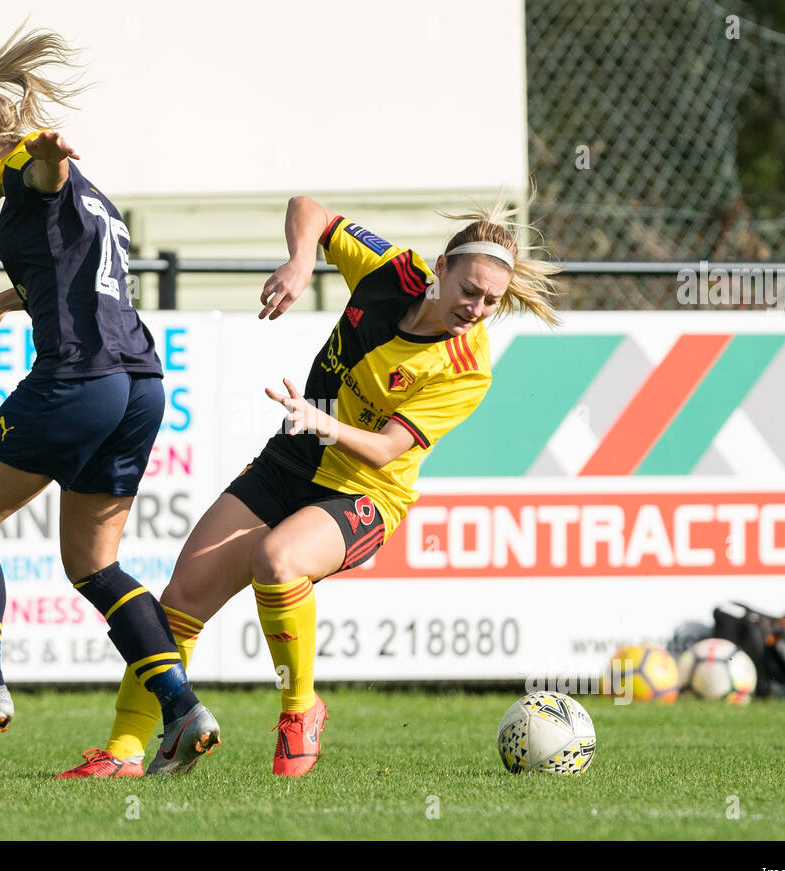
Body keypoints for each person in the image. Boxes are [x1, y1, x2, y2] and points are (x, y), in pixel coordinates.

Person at [57, 194, 558, 778]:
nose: (476, 308)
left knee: (278, 559)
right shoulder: (390, 269)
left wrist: (327, 423)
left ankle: (301, 709)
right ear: (440, 268)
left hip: (364, 492)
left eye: (492, 301)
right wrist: (300, 261)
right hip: (290, 460)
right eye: (469, 290)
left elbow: (386, 449)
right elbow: (310, 208)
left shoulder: (468, 366)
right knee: (182, 597)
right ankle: (123, 752)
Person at [0, 24, 219, 776]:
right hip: (139, 386)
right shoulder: (88, 194)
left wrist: (43, 154)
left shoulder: (28, 172)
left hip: (79, 379)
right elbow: (66, 266)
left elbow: (41, 175)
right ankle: (181, 706)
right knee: (93, 562)